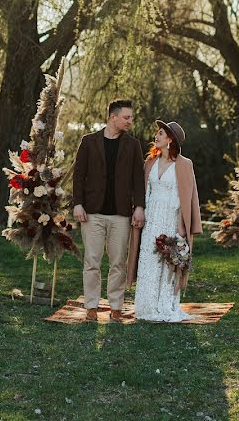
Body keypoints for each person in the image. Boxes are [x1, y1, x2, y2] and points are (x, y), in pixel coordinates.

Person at [72, 99, 146, 322]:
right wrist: (77, 203)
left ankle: (116, 307)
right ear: (112, 117)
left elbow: (138, 179)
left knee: (118, 263)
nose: (130, 121)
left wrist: (139, 207)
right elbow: (78, 175)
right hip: (92, 212)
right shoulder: (88, 142)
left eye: (131, 117)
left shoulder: (133, 145)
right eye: (126, 117)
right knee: (92, 261)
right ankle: (91, 307)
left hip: (121, 214)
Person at [127, 120, 202, 322]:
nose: (156, 136)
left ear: (170, 139)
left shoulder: (184, 164)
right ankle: (145, 306)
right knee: (148, 259)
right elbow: (144, 191)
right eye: (157, 133)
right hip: (151, 218)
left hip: (170, 217)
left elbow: (187, 196)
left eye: (161, 133)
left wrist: (181, 225)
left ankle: (165, 305)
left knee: (168, 261)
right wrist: (139, 211)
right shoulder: (150, 162)